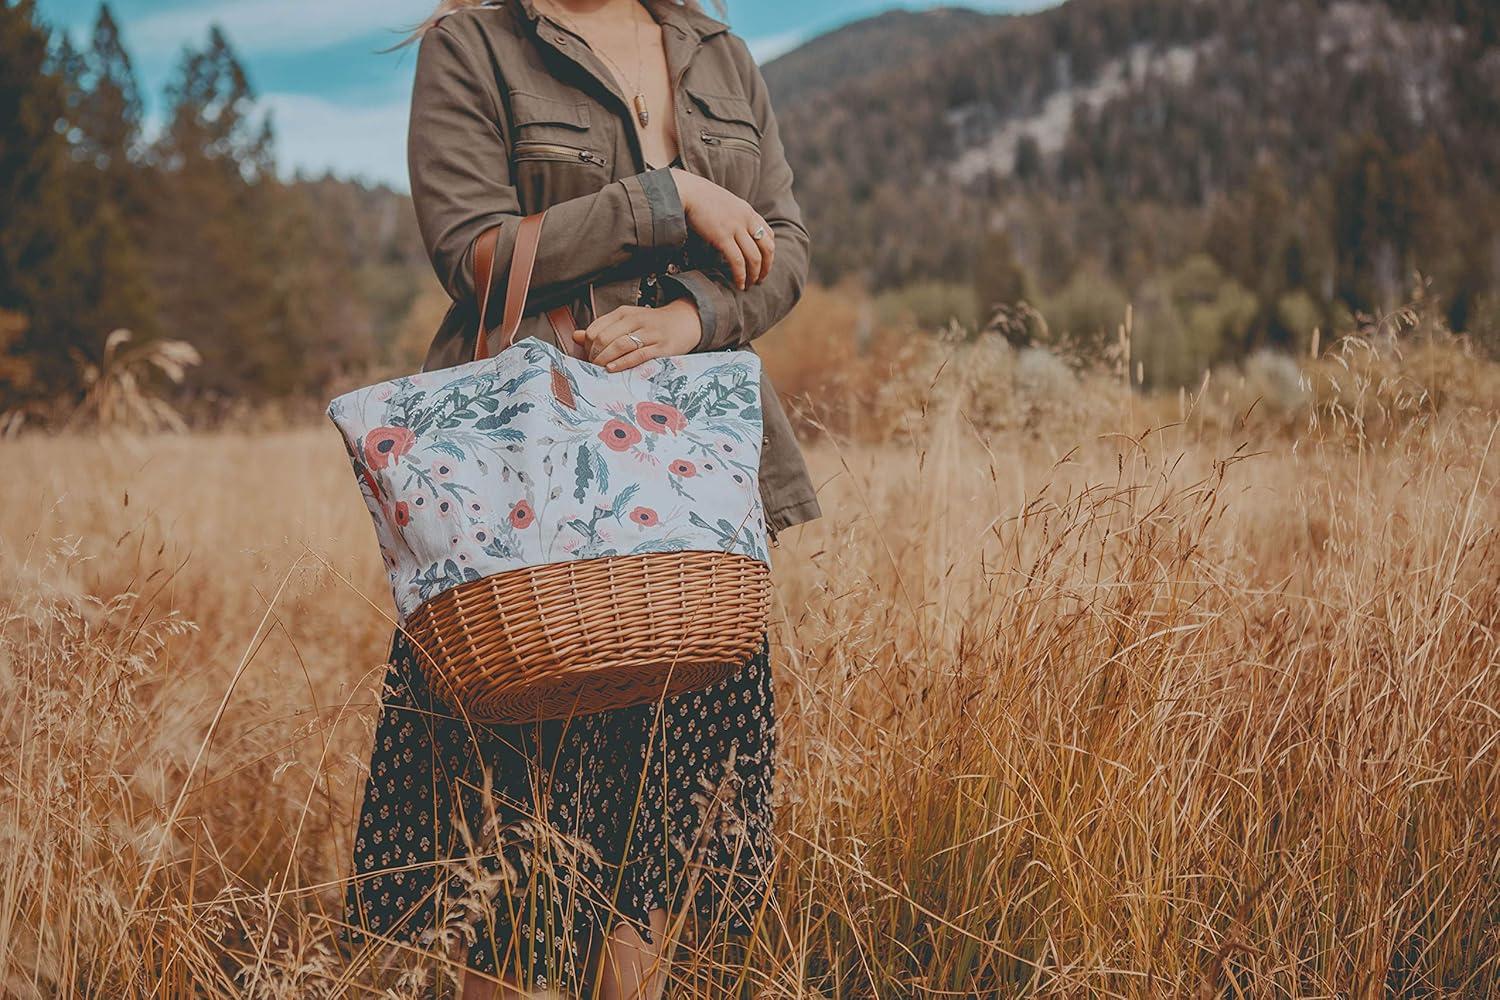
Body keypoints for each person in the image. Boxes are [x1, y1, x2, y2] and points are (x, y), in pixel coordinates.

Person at [343, 1, 821, 996]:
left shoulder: (717, 53)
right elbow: (473, 254)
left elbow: (787, 248)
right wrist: (664, 200)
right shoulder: (474, 47)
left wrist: (693, 318)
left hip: (692, 496)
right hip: (527, 507)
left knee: (642, 859)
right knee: (512, 859)